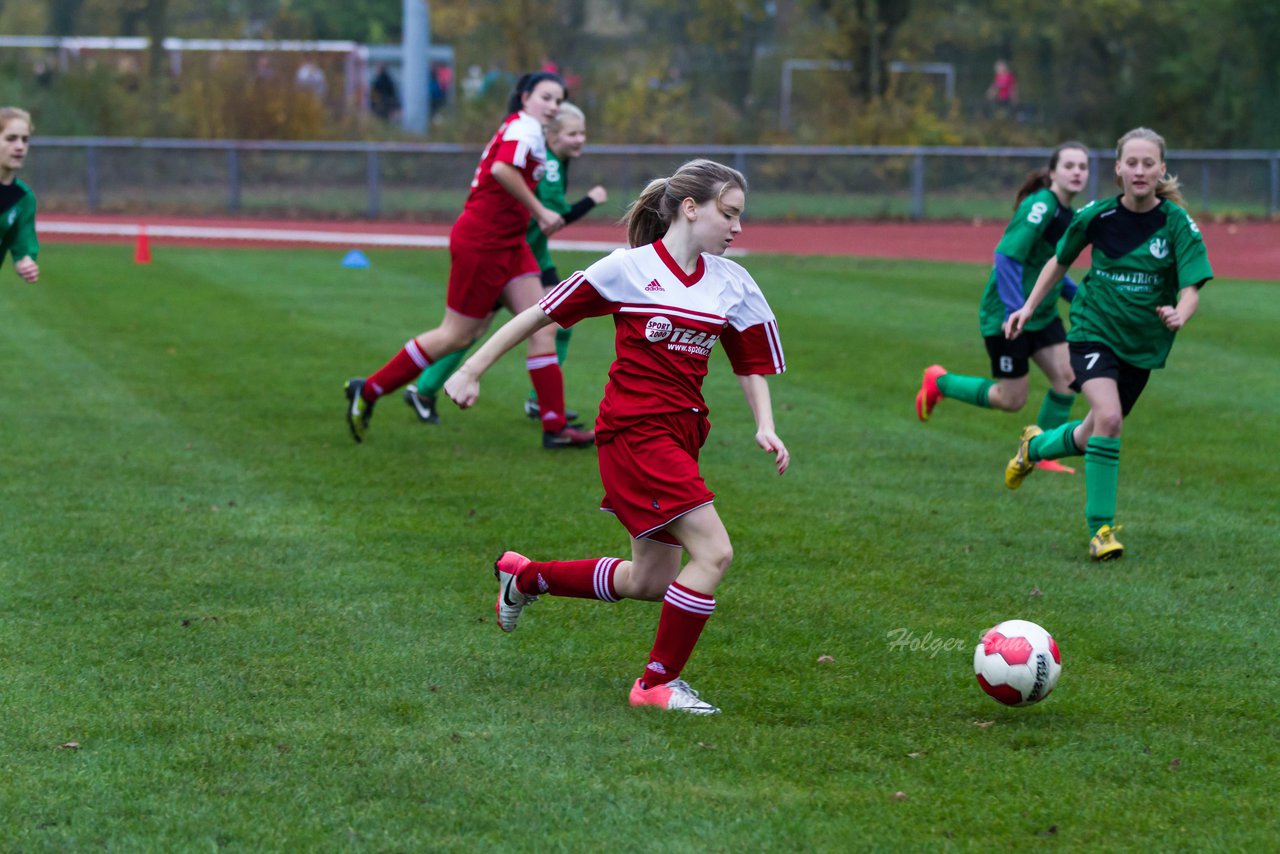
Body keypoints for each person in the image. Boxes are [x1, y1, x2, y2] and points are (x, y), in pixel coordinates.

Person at [443, 159, 789, 715]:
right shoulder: (627, 269)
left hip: (682, 435)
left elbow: (749, 360)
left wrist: (765, 425)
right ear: (689, 207)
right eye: (728, 214)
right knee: (715, 553)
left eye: (739, 216)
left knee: (650, 581)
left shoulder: (732, 282)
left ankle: (525, 576)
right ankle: (655, 684)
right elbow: (537, 315)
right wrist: (471, 368)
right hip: (634, 433)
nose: (737, 228)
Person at [344, 72, 592, 449]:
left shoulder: (529, 130)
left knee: (543, 325)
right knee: (456, 335)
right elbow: (501, 169)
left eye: (559, 99)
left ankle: (554, 428)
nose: (554, 105)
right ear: (525, 97)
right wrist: (541, 211)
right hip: (484, 241)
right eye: (546, 97)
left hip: (510, 243)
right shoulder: (523, 127)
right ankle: (371, 388)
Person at [1002, 127, 1212, 561]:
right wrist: (1026, 307)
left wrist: (1180, 313)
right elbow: (1058, 263)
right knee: (1110, 417)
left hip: (1142, 344)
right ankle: (1101, 530)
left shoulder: (1176, 224)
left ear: (1161, 169)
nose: (1139, 170)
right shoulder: (1097, 216)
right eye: (1131, 163)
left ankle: (1033, 447)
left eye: (1148, 163)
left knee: (1092, 431)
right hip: (1092, 330)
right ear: (1118, 169)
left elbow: (1192, 287)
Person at [404, 101, 608, 425]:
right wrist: (592, 200)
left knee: (545, 325)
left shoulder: (555, 160)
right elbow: (554, 218)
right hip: (515, 258)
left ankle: (537, 401)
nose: (580, 139)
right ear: (552, 135)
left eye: (583, 133)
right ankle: (427, 388)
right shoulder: (550, 165)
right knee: (476, 330)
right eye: (573, 133)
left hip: (531, 255)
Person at [916, 142, 1090, 475]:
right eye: (1069, 166)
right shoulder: (1040, 206)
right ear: (1053, 172)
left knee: (1068, 378)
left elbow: (1052, 270)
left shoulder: (1069, 215)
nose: (1077, 172)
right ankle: (939, 382)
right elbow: (1006, 256)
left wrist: (1086, 299)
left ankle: (1040, 453)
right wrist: (1014, 310)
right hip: (1008, 316)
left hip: (1041, 313)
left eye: (1082, 167)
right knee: (1011, 400)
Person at [1, 107, 40, 284]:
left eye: (25, 140)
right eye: (11, 139)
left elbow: (22, 244)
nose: (20, 146)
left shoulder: (23, 198)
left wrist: (26, 262)